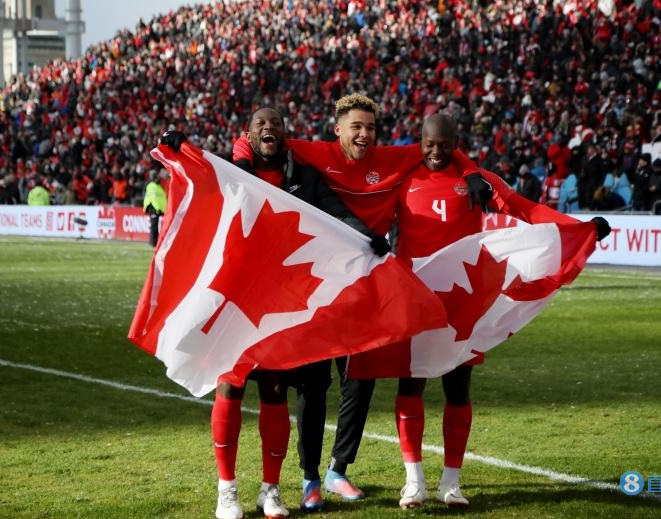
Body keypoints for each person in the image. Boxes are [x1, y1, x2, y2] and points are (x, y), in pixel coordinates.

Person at [232, 93, 482, 512]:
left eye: (370, 127)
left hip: (367, 280)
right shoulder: (316, 153)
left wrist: (472, 171)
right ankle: (310, 479)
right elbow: (257, 137)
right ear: (338, 130)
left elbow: (441, 145)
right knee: (313, 383)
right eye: (356, 127)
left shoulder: (393, 158)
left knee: (360, 380)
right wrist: (241, 160)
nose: (364, 134)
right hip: (320, 283)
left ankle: (338, 469)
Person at [160, 106, 389, 519]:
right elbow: (201, 173)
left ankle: (271, 489)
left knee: (275, 390)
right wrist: (183, 148)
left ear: (284, 134)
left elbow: (334, 211)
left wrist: (367, 235)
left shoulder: (304, 177)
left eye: (276, 124)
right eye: (260, 124)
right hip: (235, 295)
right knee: (230, 386)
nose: (269, 128)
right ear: (248, 135)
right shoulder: (233, 171)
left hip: (278, 301)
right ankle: (227, 490)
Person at [392, 114, 610, 509]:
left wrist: (580, 226)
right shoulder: (402, 178)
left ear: (456, 143)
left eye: (444, 145)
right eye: (430, 144)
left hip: (462, 302)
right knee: (411, 386)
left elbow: (526, 210)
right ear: (419, 142)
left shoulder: (478, 180)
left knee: (458, 389)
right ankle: (413, 482)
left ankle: (451, 484)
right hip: (416, 299)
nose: (437, 152)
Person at [143, 170, 167, 247]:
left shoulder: (157, 186)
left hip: (158, 209)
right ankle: (153, 243)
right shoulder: (152, 186)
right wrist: (158, 208)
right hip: (154, 208)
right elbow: (153, 198)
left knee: (156, 226)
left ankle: (155, 242)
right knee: (154, 227)